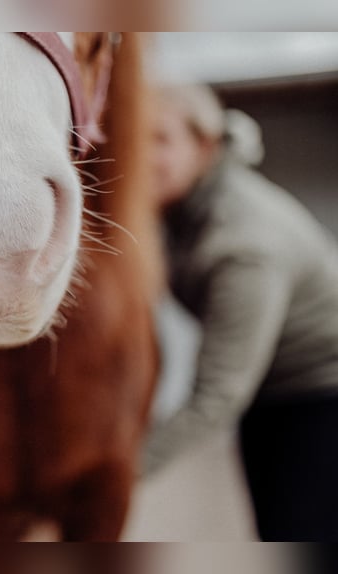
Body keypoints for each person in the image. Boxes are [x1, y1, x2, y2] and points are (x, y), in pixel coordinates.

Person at [144, 83, 338, 541]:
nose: (140, 155)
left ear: (205, 145)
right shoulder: (183, 209)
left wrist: (119, 470)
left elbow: (218, 393)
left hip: (320, 398)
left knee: (303, 535)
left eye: (161, 139)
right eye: (134, 138)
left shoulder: (244, 246)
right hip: (272, 392)